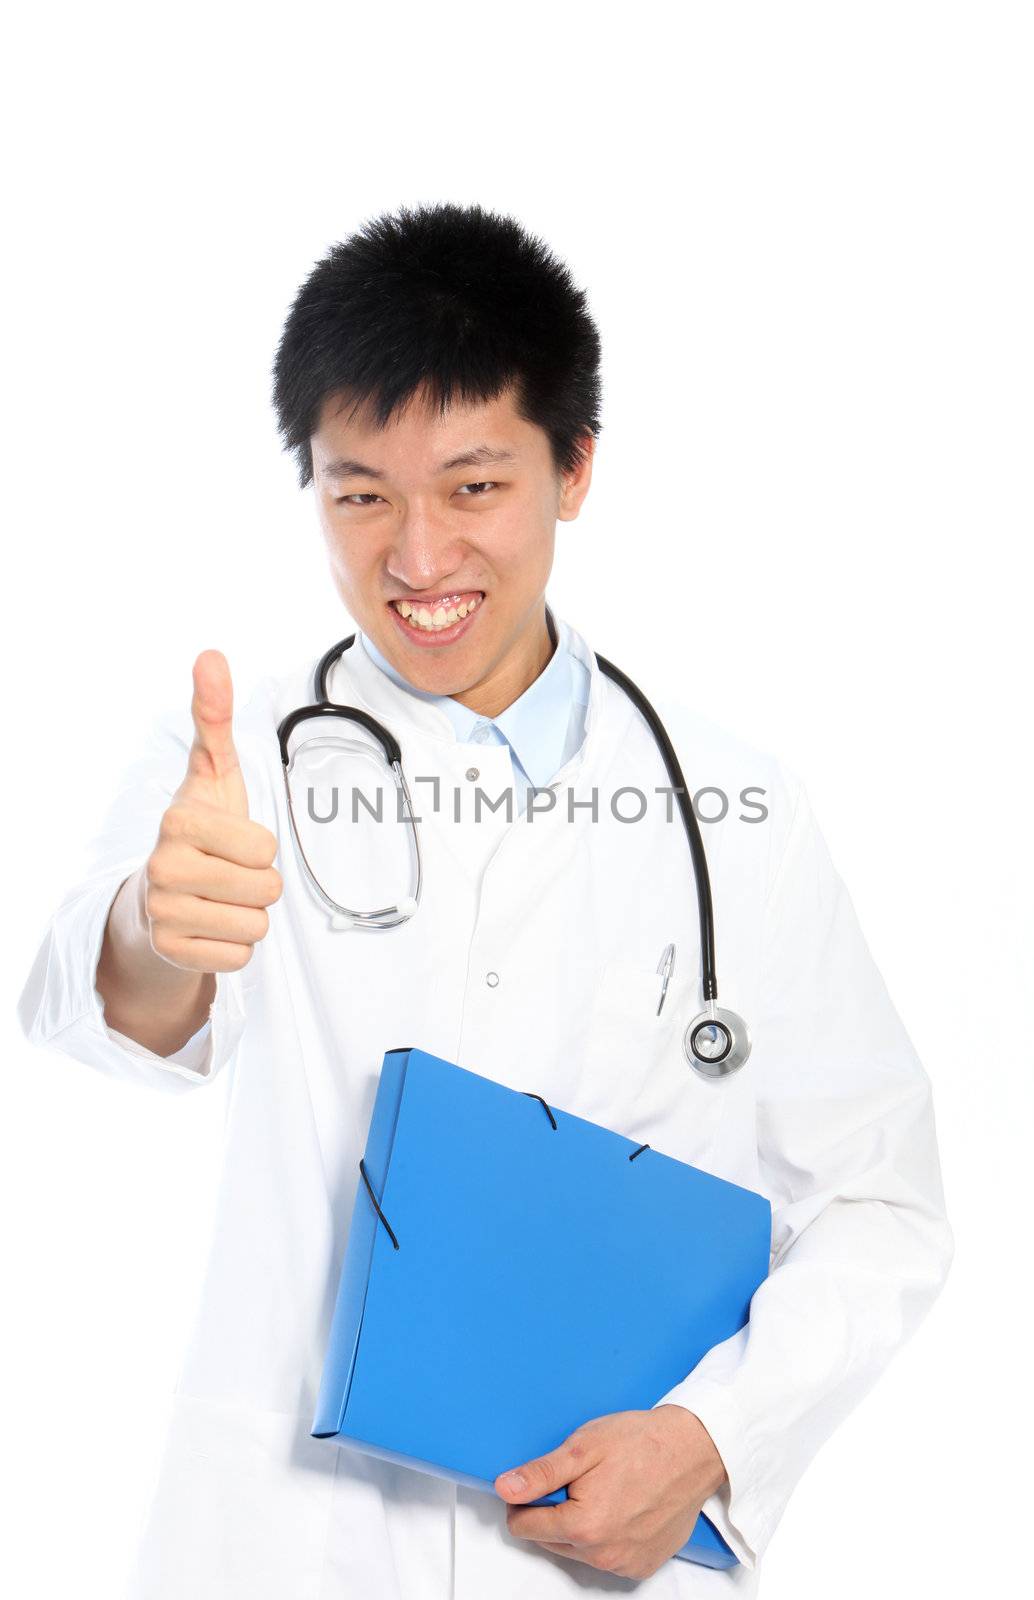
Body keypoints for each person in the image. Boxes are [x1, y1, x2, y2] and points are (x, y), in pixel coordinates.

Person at [17, 200, 953, 1598]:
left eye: (472, 487)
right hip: (281, 1543)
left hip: (589, 1557)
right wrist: (160, 928)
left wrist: (711, 1438)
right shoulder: (239, 756)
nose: (415, 558)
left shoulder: (733, 805)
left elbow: (883, 1202)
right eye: (360, 494)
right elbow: (112, 1006)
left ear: (574, 471)